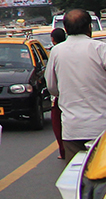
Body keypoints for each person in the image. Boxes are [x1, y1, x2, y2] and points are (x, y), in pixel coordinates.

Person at [46, 8, 106, 150]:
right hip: (104, 126)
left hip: (73, 129)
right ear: (89, 27)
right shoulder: (101, 49)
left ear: (66, 29)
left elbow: (51, 87)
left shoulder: (56, 52)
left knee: (75, 170)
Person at [49, 28, 69, 159]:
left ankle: (63, 150)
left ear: (52, 40)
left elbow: (50, 82)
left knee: (58, 124)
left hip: (61, 95)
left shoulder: (55, 52)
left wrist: (56, 94)